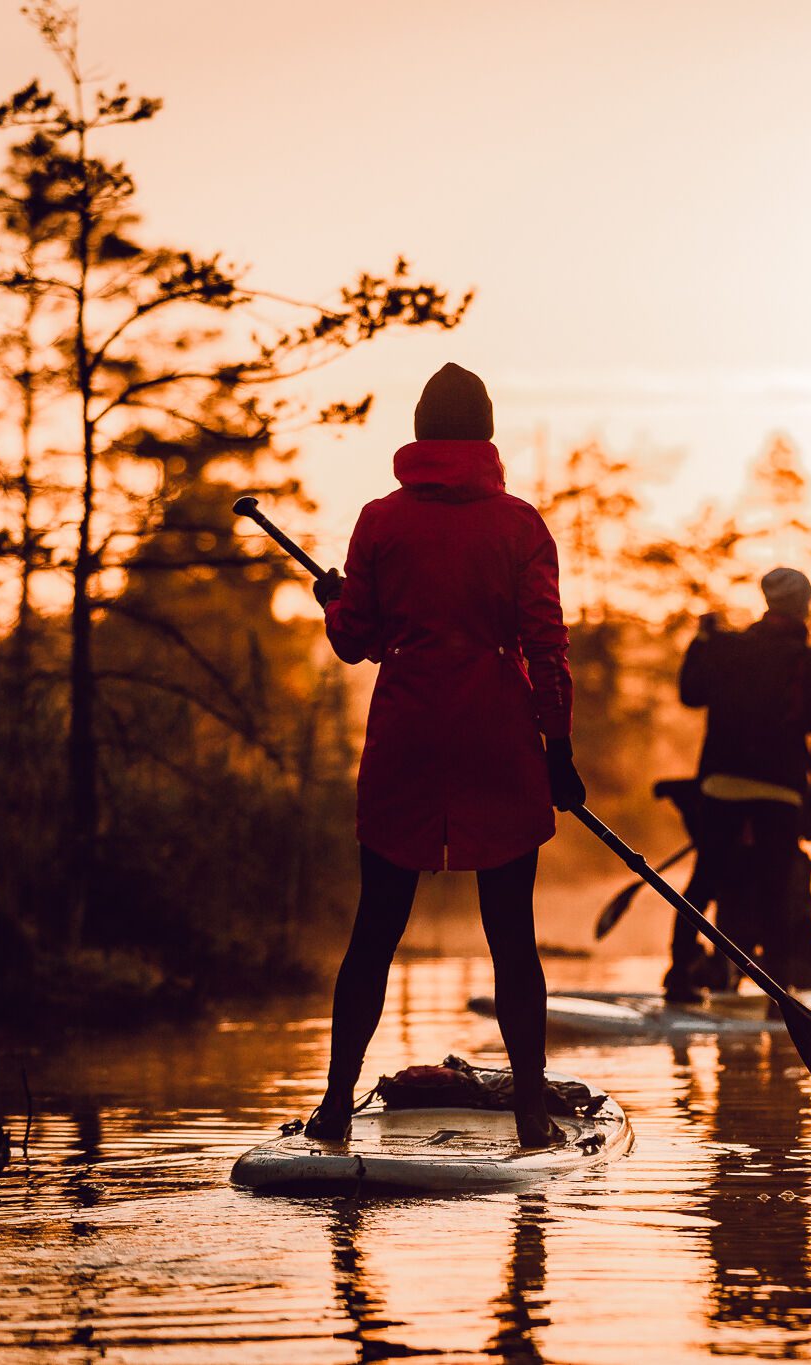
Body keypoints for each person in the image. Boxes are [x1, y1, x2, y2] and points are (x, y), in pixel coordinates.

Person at [305, 362, 586, 1151]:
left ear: (422, 433)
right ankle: (531, 1116)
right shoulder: (519, 524)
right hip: (497, 734)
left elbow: (355, 642)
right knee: (513, 938)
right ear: (487, 434)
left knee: (374, 931)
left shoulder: (380, 521)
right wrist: (558, 751)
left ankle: (333, 1108)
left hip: (408, 734)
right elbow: (547, 647)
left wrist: (335, 599)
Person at [667, 567, 811, 1006]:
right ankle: (779, 994)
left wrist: (701, 640)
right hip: (781, 792)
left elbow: (691, 692)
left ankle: (679, 977)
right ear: (803, 605)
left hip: (721, 786)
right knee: (777, 889)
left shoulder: (727, 649)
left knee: (704, 880)